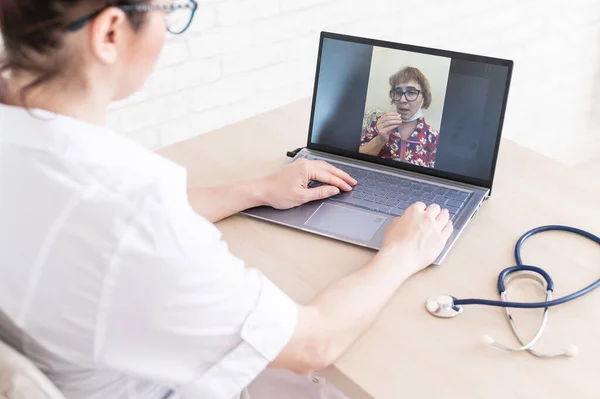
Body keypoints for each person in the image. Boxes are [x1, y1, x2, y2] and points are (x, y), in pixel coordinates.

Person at [0, 1, 453, 398]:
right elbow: (312, 346)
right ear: (111, 32)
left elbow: (104, 220)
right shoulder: (134, 208)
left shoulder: (57, 165)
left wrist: (256, 190)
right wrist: (401, 252)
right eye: (168, 10)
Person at [359, 66, 440, 168]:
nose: (402, 100)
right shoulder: (379, 122)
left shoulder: (433, 137)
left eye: (411, 92)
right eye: (398, 92)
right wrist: (379, 140)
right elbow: (356, 159)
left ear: (423, 97)